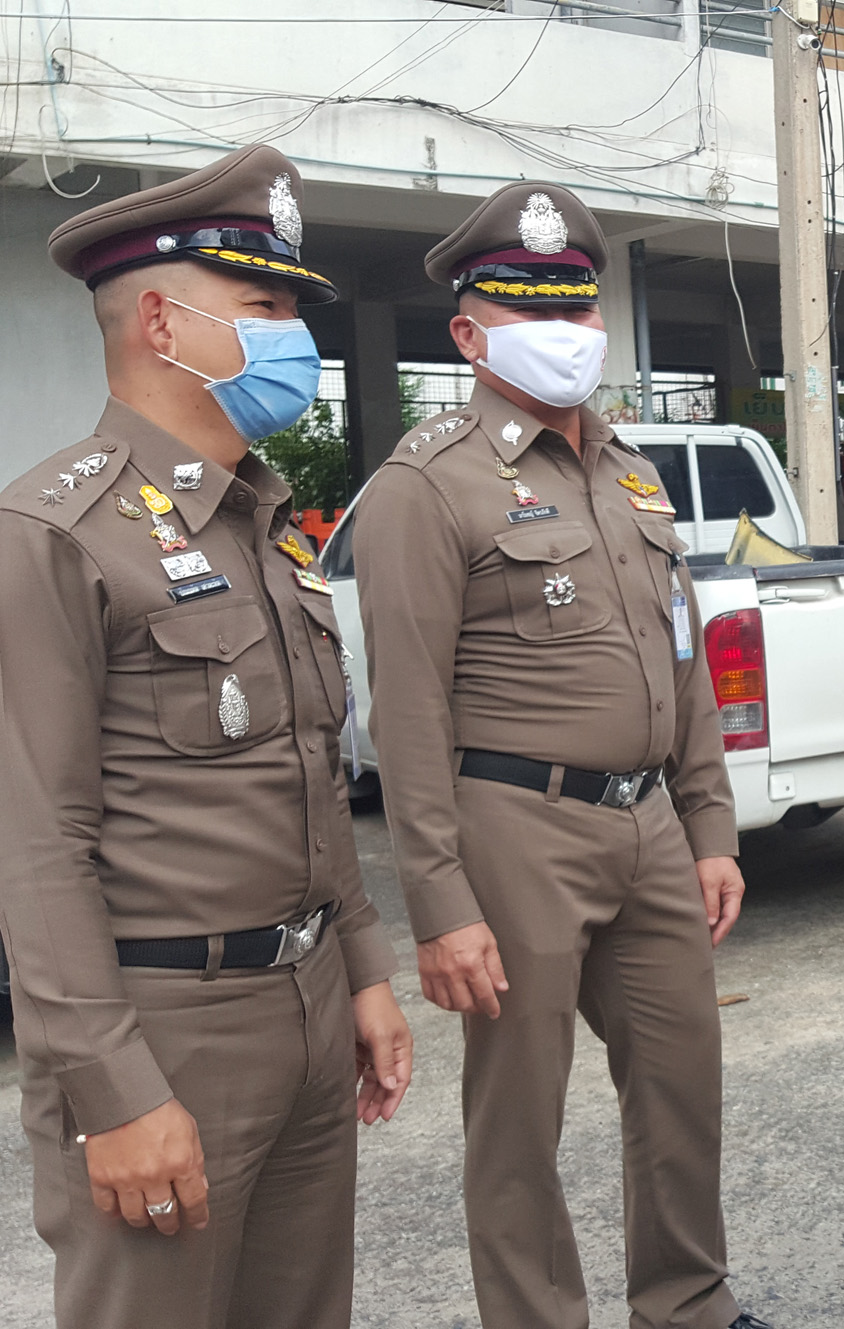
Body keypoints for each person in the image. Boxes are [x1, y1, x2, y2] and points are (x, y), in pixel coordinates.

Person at [0, 144, 412, 1329]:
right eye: (264, 307)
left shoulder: (262, 527)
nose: (295, 337)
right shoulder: (56, 534)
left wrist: (362, 972)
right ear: (159, 323)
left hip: (305, 1002)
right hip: (166, 1027)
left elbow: (310, 780)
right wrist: (114, 1091)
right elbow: (36, 848)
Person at [350, 182, 767, 1329]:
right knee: (519, 1121)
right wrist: (439, 904)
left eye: (577, 308)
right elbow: (407, 713)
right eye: (530, 310)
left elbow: (682, 661)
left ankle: (687, 1305)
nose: (565, 332)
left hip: (649, 825)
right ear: (468, 333)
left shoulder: (631, 470)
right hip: (515, 830)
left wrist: (710, 828)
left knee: (681, 1085)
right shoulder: (425, 485)